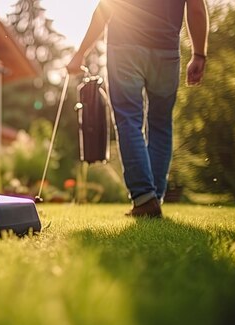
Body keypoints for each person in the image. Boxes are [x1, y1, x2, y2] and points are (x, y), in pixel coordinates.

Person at [67, 0, 209, 217]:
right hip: (166, 51)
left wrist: (81, 53)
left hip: (125, 47)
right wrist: (199, 53)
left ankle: (145, 198)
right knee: (161, 124)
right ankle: (152, 198)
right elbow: (197, 7)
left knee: (128, 119)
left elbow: (105, 7)